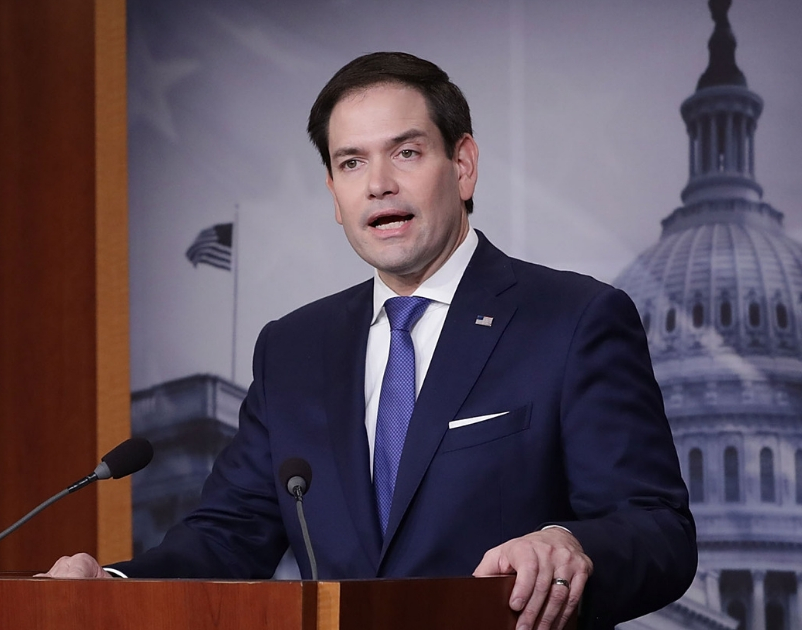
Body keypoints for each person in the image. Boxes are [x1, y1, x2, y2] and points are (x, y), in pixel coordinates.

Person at [43, 52, 697, 630]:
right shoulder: (293, 348)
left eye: (406, 152)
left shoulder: (574, 317)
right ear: (334, 193)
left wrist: (569, 545)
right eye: (351, 161)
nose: (378, 182)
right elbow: (227, 539)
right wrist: (114, 587)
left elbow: (658, 531)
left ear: (463, 165)